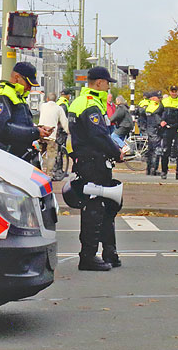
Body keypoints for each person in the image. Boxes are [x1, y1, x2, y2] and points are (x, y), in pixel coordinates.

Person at [68, 66, 126, 271]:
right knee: (95, 208)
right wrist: (117, 151)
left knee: (106, 205)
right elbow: (98, 136)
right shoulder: (90, 105)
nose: (109, 87)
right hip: (93, 162)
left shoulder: (80, 102)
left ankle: (109, 252)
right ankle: (89, 256)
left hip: (89, 161)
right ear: (99, 83)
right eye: (107, 83)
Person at [0, 61, 53, 159]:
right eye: (28, 83)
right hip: (7, 158)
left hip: (19, 156)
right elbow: (3, 129)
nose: (30, 88)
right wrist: (35, 132)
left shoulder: (18, 96)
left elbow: (21, 124)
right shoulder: (1, 96)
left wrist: (38, 128)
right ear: (17, 77)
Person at [158, 86, 178, 179]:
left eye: (175, 91)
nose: (174, 93)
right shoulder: (165, 102)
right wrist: (161, 121)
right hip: (167, 129)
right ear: (170, 92)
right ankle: (164, 171)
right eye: (172, 91)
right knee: (165, 151)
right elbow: (157, 113)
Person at [38, 93, 67, 179]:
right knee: (51, 155)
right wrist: (68, 131)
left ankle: (41, 170)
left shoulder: (42, 106)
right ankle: (49, 174)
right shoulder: (59, 108)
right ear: (56, 100)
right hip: (51, 136)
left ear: (47, 99)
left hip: (41, 134)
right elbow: (64, 122)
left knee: (41, 153)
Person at [142, 91, 163, 176]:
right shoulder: (156, 106)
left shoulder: (146, 106)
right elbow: (157, 119)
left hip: (148, 130)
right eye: (159, 98)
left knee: (150, 150)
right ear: (154, 98)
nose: (160, 99)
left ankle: (148, 168)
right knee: (156, 150)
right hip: (155, 130)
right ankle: (154, 169)